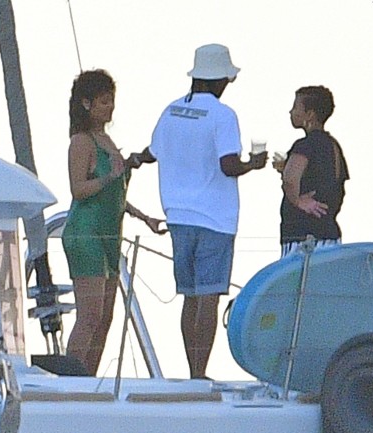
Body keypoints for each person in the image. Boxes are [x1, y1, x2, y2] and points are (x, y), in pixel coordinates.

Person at [128, 44, 268, 379]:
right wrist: (254, 164)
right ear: (217, 79)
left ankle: (193, 369)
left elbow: (152, 152)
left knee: (189, 297)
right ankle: (199, 372)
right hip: (215, 218)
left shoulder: (171, 110)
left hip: (177, 216)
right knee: (209, 297)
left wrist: (134, 159)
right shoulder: (223, 115)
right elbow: (228, 165)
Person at [62, 69, 166, 376]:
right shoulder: (81, 142)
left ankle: (87, 376)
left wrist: (144, 217)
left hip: (110, 233)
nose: (110, 107)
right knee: (90, 315)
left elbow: (115, 195)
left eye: (111, 101)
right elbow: (79, 189)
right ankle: (70, 378)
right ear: (87, 104)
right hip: (86, 233)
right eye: (104, 101)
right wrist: (110, 176)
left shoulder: (105, 140)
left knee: (105, 318)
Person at [274, 86, 349, 257]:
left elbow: (290, 179)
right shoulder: (333, 146)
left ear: (310, 114)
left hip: (302, 238)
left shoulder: (304, 145)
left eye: (296, 107)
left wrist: (297, 201)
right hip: (328, 235)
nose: (291, 112)